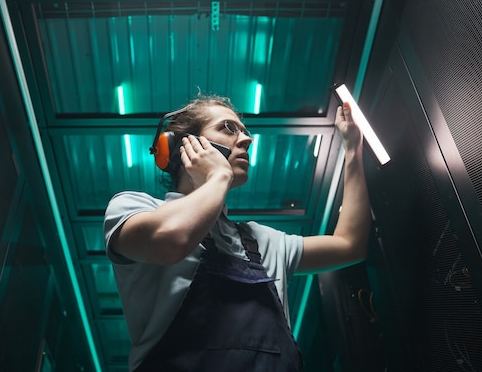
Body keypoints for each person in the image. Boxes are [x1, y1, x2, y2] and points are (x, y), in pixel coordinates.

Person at [104, 95, 371, 372]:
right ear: (180, 144)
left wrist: (353, 150)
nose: (247, 140)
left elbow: (350, 244)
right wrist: (218, 177)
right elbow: (172, 241)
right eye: (228, 128)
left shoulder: (262, 241)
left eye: (245, 132)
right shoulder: (132, 207)